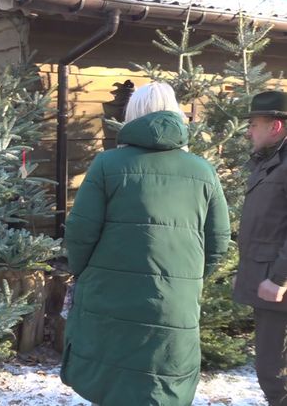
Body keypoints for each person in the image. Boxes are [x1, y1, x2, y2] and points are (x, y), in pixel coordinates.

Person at [60, 82, 231, 406]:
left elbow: (80, 233)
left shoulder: (107, 165)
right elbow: (218, 242)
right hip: (173, 302)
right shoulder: (202, 171)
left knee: (112, 384)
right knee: (160, 389)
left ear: (131, 115)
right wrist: (187, 279)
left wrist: (86, 275)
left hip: (109, 296)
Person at [233, 90, 287, 406]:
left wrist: (279, 278)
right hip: (266, 280)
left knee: (275, 373)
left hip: (278, 287)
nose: (249, 131)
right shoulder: (271, 162)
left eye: (254, 123)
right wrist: (248, 275)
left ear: (275, 126)